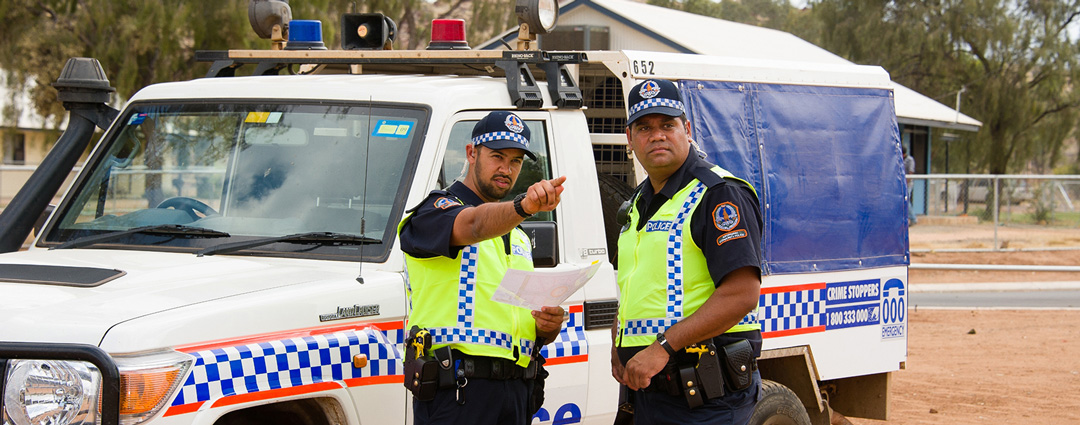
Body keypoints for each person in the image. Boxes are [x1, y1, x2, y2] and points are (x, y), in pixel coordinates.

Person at [397, 111, 568, 425]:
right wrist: (524, 206)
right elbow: (474, 224)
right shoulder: (435, 212)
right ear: (471, 153)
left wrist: (546, 327)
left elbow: (511, 320)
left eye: (516, 161)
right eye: (497, 156)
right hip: (458, 391)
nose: (506, 169)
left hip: (516, 390)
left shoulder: (517, 237)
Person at [611, 79, 763, 425]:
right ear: (630, 139)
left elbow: (742, 294)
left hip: (706, 400)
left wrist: (661, 347)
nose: (657, 135)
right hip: (650, 393)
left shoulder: (718, 194)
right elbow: (636, 286)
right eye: (645, 128)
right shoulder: (637, 203)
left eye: (668, 124)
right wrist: (618, 344)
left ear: (687, 129)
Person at [903, 146, 918, 226]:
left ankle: (913, 218)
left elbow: (911, 172)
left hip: (908, 184)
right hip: (901, 184)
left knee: (906, 201)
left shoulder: (910, 160)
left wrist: (906, 182)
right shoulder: (900, 159)